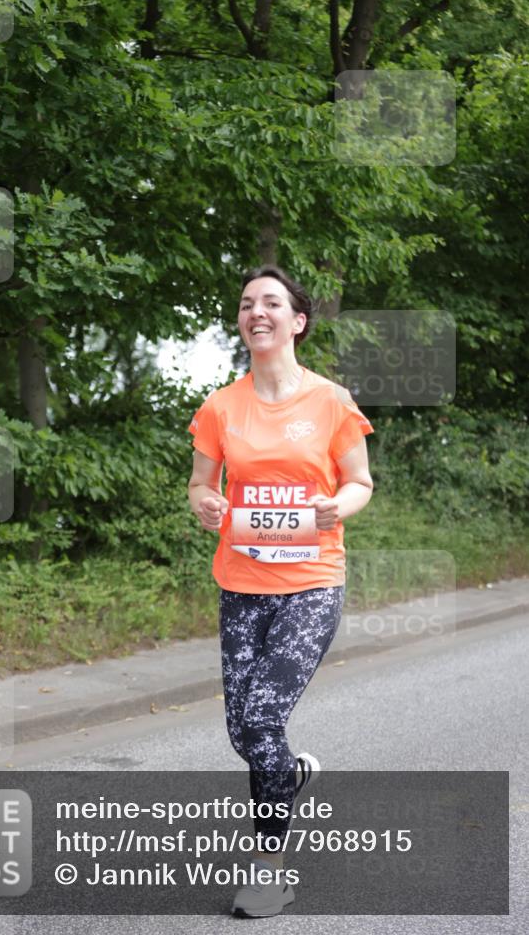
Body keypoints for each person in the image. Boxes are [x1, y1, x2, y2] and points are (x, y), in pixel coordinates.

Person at [188, 266, 374, 918]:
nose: (255, 311)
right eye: (245, 304)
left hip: (310, 584)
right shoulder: (219, 406)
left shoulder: (329, 401)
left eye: (271, 302)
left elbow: (359, 481)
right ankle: (288, 777)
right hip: (240, 585)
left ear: (297, 321)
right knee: (243, 731)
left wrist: (335, 507)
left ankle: (269, 871)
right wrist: (206, 504)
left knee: (262, 721)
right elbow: (199, 486)